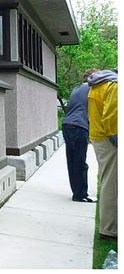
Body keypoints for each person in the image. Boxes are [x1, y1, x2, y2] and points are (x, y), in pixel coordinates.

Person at [87, 69, 118, 240]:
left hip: (99, 136)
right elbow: (112, 116)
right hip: (108, 139)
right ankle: (110, 229)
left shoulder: (100, 83)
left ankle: (110, 225)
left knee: (108, 181)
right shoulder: (114, 84)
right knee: (112, 184)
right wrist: (117, 139)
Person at [62, 69, 98, 203]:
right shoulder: (91, 89)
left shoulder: (77, 88)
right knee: (80, 162)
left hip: (67, 125)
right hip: (79, 127)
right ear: (92, 78)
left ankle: (77, 193)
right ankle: (81, 194)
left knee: (72, 161)